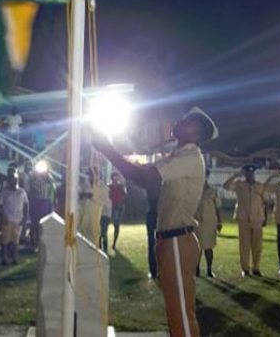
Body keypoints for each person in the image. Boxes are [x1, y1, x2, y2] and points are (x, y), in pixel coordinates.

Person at [93, 106, 217, 337]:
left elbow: (143, 176)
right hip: (170, 239)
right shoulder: (179, 155)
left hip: (178, 240)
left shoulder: (190, 157)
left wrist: (108, 149)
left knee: (181, 310)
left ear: (196, 134)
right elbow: (144, 179)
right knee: (174, 308)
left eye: (188, 121)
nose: (180, 120)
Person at [223, 165, 266, 276]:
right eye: (248, 173)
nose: (250, 175)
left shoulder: (259, 186)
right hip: (243, 219)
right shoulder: (239, 185)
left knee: (257, 246)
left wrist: (264, 217)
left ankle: (256, 268)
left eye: (252, 173)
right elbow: (226, 186)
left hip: (257, 219)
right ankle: (245, 269)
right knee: (244, 246)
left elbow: (264, 202)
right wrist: (236, 175)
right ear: (245, 174)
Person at [0, 171, 29, 265]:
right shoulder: (5, 192)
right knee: (5, 240)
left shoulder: (22, 192)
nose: (13, 181)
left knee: (16, 240)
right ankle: (4, 258)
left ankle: (15, 258)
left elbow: (26, 204)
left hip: (18, 219)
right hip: (7, 219)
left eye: (15, 179)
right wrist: (3, 216)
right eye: (11, 179)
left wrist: (25, 218)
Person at [195, 169, 222, 277]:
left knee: (208, 247)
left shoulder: (213, 191)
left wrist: (219, 222)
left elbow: (218, 207)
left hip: (209, 222)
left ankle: (209, 269)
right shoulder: (194, 190)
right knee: (197, 247)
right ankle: (196, 269)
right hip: (197, 222)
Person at [25, 161, 55, 252]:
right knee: (34, 224)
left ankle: (41, 243)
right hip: (35, 202)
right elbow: (28, 190)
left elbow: (51, 191)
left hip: (45, 203)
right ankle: (33, 243)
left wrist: (51, 204)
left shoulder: (49, 178)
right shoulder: (32, 177)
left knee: (42, 225)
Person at [108, 172, 127, 251]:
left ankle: (114, 243)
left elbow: (125, 195)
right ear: (112, 179)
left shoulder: (121, 187)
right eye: (114, 178)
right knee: (108, 222)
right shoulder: (109, 187)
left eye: (116, 178)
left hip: (119, 207)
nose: (115, 179)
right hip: (112, 207)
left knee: (117, 225)